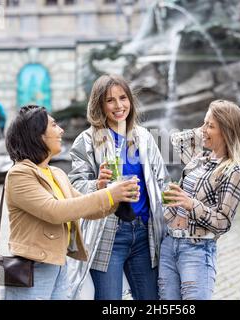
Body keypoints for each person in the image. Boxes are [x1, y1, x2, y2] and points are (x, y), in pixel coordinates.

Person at [2, 105, 140, 300]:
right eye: (54, 125)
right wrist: (109, 194)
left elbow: (85, 209)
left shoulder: (56, 173)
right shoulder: (20, 174)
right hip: (32, 267)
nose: (61, 130)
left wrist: (116, 195)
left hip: (59, 263)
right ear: (37, 135)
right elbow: (55, 211)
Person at [68, 74, 168, 300]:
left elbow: (162, 182)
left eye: (123, 98)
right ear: (99, 105)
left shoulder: (144, 138)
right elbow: (73, 186)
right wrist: (98, 184)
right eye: (110, 100)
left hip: (144, 233)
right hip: (108, 234)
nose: (118, 105)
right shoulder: (86, 140)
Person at [159, 99, 240, 300]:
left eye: (210, 125)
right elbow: (178, 139)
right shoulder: (199, 160)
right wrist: (206, 128)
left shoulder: (234, 172)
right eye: (204, 123)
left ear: (227, 131)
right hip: (169, 244)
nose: (203, 129)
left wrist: (190, 204)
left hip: (196, 250)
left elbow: (222, 222)